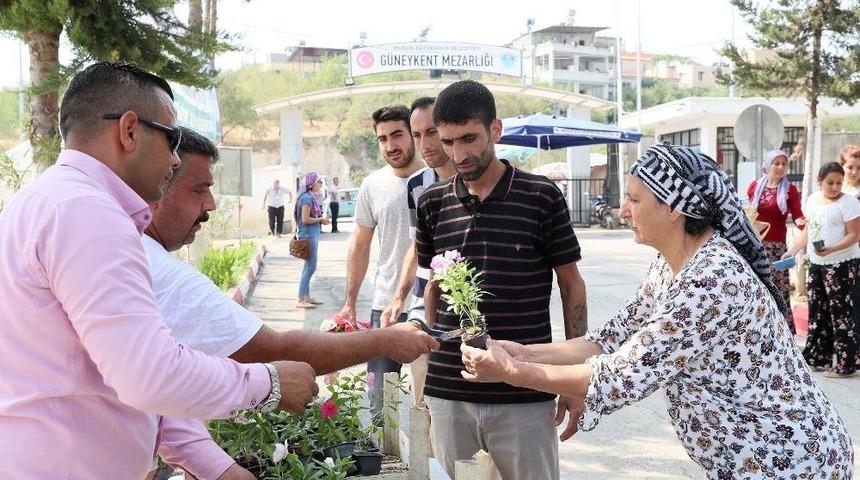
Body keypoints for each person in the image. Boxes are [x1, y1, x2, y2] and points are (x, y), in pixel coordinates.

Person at [0, 62, 318, 480]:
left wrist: (217, 467)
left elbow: (118, 371)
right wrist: (267, 384)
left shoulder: (47, 202)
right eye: (171, 139)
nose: (173, 160)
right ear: (129, 130)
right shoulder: (87, 213)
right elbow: (148, 376)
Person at [461, 142, 854, 479]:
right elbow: (612, 339)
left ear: (674, 208)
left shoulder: (711, 280)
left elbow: (625, 372)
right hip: (756, 459)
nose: (623, 211)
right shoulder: (672, 264)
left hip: (790, 461)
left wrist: (514, 372)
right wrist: (521, 351)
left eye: (634, 199)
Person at [143, 128, 439, 478]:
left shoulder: (129, 253)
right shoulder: (158, 271)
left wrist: (220, 468)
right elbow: (269, 349)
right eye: (199, 189)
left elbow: (154, 396)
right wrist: (386, 340)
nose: (210, 204)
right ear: (156, 186)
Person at [414, 80, 588, 479]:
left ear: (495, 129)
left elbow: (572, 285)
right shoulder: (431, 203)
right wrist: (429, 369)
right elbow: (433, 290)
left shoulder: (541, 196)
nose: (458, 153)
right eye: (448, 141)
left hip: (524, 388)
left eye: (469, 139)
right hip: (450, 389)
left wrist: (573, 377)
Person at [335, 105, 424, 422]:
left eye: (397, 135)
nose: (391, 146)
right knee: (378, 402)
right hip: (385, 305)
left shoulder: (435, 177)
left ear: (412, 134)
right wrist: (350, 302)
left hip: (431, 305)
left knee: (430, 403)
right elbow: (360, 245)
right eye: (382, 138)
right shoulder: (373, 185)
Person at [380, 97, 457, 404]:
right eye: (417, 135)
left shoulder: (477, 179)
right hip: (423, 303)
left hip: (466, 303)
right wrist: (399, 296)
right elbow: (417, 245)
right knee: (423, 399)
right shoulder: (416, 186)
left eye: (432, 131)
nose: (425, 143)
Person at [784, 162, 860, 378]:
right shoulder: (812, 200)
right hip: (817, 263)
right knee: (818, 310)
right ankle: (817, 357)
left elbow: (855, 235)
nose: (835, 187)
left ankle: (846, 364)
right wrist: (793, 250)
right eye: (830, 183)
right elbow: (809, 231)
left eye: (838, 182)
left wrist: (832, 249)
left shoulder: (849, 203)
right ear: (820, 181)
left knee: (841, 313)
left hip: (842, 264)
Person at [746, 149, 805, 332]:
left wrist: (809, 228)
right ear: (767, 165)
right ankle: (757, 333)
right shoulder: (754, 187)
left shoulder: (790, 190)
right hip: (754, 247)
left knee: (778, 292)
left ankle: (783, 334)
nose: (780, 167)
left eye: (784, 164)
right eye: (776, 163)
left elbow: (799, 218)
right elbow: (748, 215)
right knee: (755, 291)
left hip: (777, 251)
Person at [294, 173, 329, 308]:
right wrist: (321, 219)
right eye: (319, 182)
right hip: (308, 236)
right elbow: (305, 219)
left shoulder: (309, 197)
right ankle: (300, 299)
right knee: (311, 267)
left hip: (310, 235)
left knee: (307, 267)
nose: (320, 184)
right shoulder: (307, 198)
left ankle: (306, 297)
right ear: (312, 183)